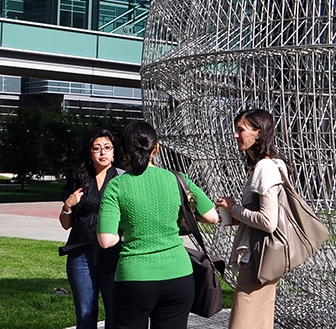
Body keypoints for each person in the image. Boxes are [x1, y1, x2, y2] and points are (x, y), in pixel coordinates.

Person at [98, 120, 220, 329]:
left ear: (124, 150)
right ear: (156, 148)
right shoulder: (177, 179)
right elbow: (211, 216)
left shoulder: (116, 185)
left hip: (135, 277)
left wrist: (122, 230)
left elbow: (106, 240)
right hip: (179, 275)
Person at [215, 109, 287, 328]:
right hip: (262, 258)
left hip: (257, 259)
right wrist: (237, 216)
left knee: (243, 322)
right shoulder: (271, 164)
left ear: (259, 133)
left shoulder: (265, 167)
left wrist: (234, 208)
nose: (236, 135)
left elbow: (268, 221)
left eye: (241, 130)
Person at [58, 129, 123, 329]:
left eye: (107, 148)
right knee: (86, 316)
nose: (102, 153)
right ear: (89, 153)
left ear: (114, 152)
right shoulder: (78, 180)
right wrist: (68, 206)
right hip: (81, 254)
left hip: (114, 254)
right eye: (97, 148)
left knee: (115, 315)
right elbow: (66, 224)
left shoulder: (123, 180)